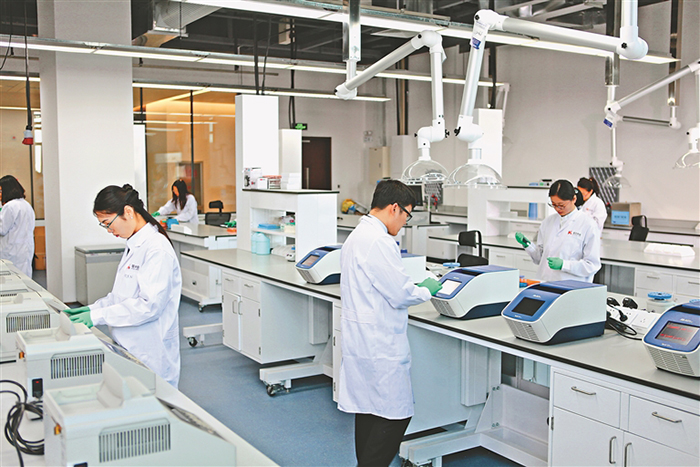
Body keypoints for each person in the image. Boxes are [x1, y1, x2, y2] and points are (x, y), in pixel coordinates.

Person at [338, 180, 443, 467]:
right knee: (395, 414)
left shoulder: (358, 235)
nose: (405, 222)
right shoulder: (379, 241)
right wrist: (425, 290)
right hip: (379, 344)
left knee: (368, 410)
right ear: (394, 208)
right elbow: (400, 294)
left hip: (363, 340)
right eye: (407, 215)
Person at [65, 184, 182, 387]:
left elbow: (148, 306)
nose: (109, 231)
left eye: (108, 223)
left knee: (153, 400)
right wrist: (91, 309)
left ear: (128, 211)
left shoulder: (156, 249)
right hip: (129, 345)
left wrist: (97, 317)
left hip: (150, 352)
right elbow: (119, 297)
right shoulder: (133, 244)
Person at [515, 179, 601, 283]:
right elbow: (540, 259)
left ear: (574, 199)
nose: (557, 209)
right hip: (545, 282)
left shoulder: (588, 225)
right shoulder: (547, 222)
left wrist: (564, 265)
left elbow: (592, 265)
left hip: (571, 286)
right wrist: (528, 245)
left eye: (561, 205)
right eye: (554, 204)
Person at [0, 175, 36, 277]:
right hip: (24, 250)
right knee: (24, 278)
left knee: (11, 279)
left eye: (1, 191)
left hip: (11, 252)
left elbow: (2, 229)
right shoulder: (26, 205)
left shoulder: (10, 206)